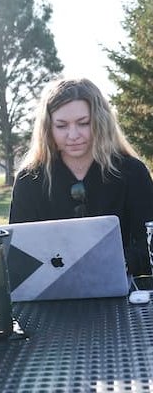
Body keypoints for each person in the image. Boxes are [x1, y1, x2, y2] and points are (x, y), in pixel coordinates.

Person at [9, 77, 153, 276]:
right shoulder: (29, 179)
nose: (73, 135)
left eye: (83, 123)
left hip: (123, 294)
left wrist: (120, 265)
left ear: (100, 122)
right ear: (47, 129)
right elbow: (18, 254)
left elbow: (148, 243)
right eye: (61, 126)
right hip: (49, 298)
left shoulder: (132, 172)